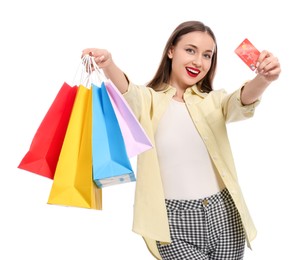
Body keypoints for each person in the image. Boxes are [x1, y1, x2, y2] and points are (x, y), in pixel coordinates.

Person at [82, 20, 281, 260]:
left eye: (207, 55)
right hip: (172, 222)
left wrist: (264, 79)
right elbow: (128, 92)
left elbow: (242, 101)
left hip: (224, 214)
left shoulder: (213, 101)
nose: (199, 61)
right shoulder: (149, 101)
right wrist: (108, 64)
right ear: (171, 51)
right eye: (190, 50)